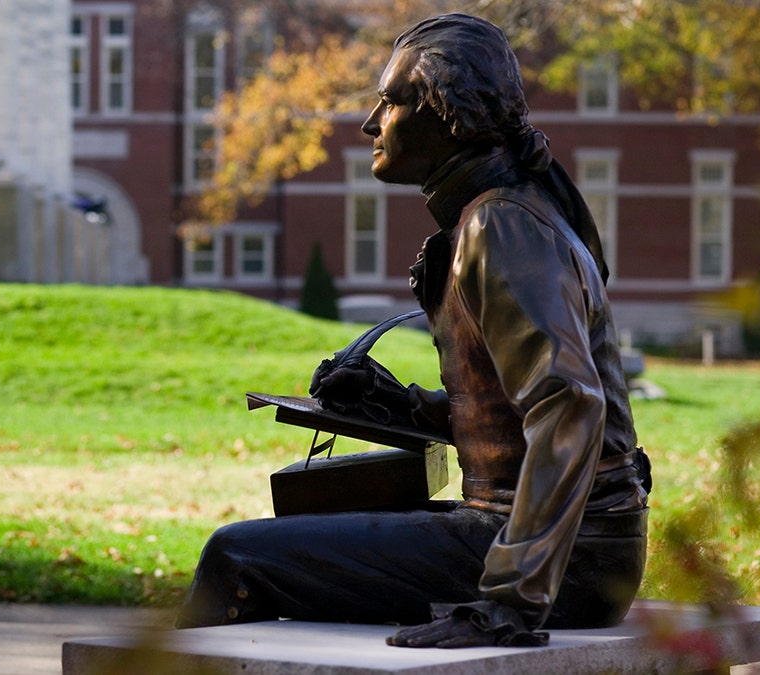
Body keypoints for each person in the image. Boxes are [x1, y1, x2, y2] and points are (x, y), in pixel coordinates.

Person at [175, 13, 651, 648]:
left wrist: (509, 599)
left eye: (391, 102)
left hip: (566, 560)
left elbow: (570, 409)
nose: (371, 123)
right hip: (567, 544)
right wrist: (394, 404)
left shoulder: (499, 227)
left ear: (448, 116)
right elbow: (516, 418)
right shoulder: (497, 217)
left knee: (235, 555)